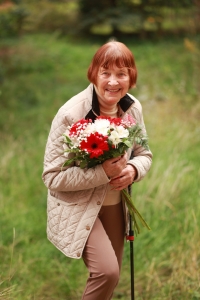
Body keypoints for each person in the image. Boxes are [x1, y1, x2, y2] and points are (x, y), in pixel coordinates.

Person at [42, 41, 152, 300]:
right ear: (93, 74)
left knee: (108, 282)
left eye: (121, 73)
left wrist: (134, 170)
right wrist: (102, 172)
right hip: (78, 205)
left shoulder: (132, 108)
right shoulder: (71, 114)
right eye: (106, 73)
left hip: (115, 205)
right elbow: (52, 176)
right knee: (107, 273)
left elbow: (144, 153)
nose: (113, 82)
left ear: (131, 77)